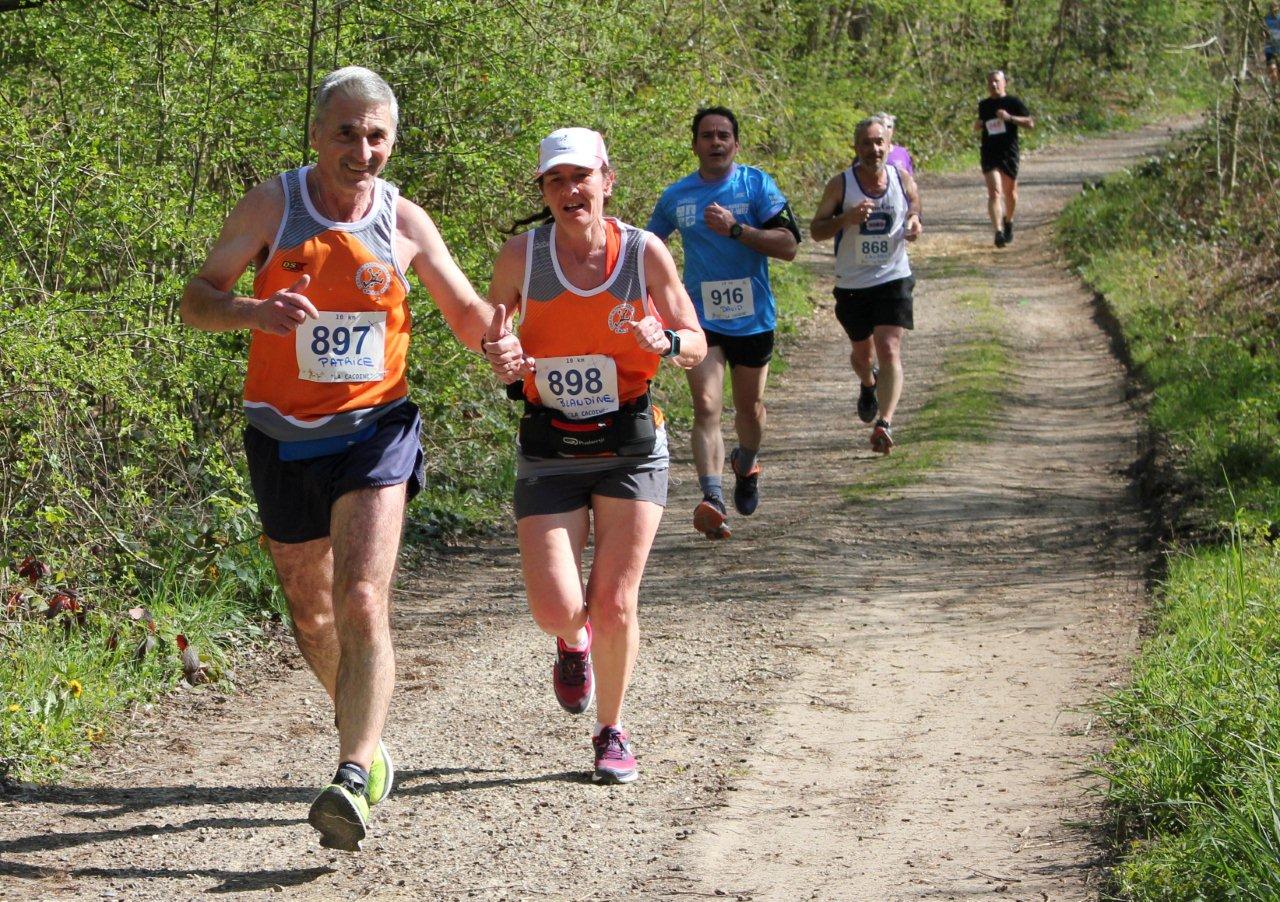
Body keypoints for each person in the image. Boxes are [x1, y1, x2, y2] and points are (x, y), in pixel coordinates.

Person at [180, 67, 496, 851]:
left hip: (374, 429)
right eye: (347, 133)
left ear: (393, 142)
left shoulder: (404, 220)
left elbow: (466, 313)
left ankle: (352, 773)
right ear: (318, 135)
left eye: (377, 135)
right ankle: (367, 727)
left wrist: (506, 344)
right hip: (282, 435)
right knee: (311, 612)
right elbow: (196, 300)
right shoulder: (272, 205)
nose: (363, 150)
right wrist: (254, 310)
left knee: (360, 598)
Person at [483, 128, 706, 783]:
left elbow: (694, 339)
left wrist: (662, 340)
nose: (569, 191)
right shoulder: (522, 256)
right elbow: (493, 333)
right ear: (544, 191)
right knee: (557, 605)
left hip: (629, 443)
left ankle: (612, 730)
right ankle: (569, 639)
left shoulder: (644, 253)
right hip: (550, 442)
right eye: (555, 180)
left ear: (607, 180)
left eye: (581, 177)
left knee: (614, 601)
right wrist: (501, 353)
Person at [646, 107, 800, 540]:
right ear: (694, 144)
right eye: (708, 135)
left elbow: (789, 245)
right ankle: (712, 498)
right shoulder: (677, 196)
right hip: (700, 320)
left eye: (724, 136)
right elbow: (647, 248)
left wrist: (738, 231)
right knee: (707, 407)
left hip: (753, 317)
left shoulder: (757, 185)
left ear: (736, 143)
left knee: (749, 409)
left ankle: (746, 462)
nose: (716, 142)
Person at [810, 117, 922, 455]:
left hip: (893, 277)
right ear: (856, 148)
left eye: (879, 143)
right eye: (866, 144)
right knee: (863, 355)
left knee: (890, 349)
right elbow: (816, 230)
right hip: (853, 283)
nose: (874, 149)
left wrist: (915, 220)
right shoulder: (841, 185)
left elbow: (914, 203)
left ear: (889, 146)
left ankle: (884, 423)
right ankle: (868, 382)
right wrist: (846, 219)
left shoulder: (901, 178)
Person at [974, 69, 1033, 247]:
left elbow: (1030, 123)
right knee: (994, 193)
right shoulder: (983, 105)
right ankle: (998, 231)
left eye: (997, 81)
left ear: (1004, 83)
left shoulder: (1013, 102)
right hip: (989, 152)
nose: (993, 85)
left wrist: (1010, 118)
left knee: (1010, 194)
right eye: (990, 82)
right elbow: (980, 124)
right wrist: (977, 125)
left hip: (1009, 152)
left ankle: (1009, 220)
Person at [876, 111, 915, 176]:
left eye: (889, 127)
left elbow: (910, 177)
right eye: (882, 126)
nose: (886, 129)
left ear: (893, 131)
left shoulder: (902, 152)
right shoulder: (870, 152)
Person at [1265, 2, 1280, 85]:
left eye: (1276, 9)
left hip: (1279, 48)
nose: (1275, 10)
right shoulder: (1266, 19)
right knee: (1271, 68)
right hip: (1269, 48)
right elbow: (1262, 32)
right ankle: (1272, 86)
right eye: (1273, 9)